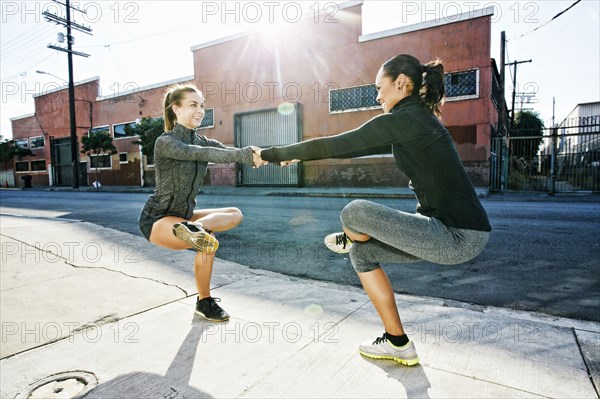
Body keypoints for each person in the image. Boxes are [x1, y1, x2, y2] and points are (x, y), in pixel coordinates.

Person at [258, 54, 491, 366]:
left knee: (354, 212)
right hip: (448, 232)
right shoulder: (415, 121)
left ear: (400, 84)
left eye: (380, 87)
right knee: (363, 255)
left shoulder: (406, 121)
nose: (378, 95)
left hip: (457, 235)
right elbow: (346, 147)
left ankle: (352, 236)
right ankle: (397, 343)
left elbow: (337, 144)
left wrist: (273, 153)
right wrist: (294, 155)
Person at [138, 84, 266, 322]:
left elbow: (231, 152)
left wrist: (270, 157)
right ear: (175, 109)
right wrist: (245, 154)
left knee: (235, 213)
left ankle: (196, 229)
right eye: (193, 105)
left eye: (202, 106)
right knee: (209, 243)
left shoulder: (202, 140)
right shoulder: (165, 142)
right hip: (157, 219)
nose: (200, 111)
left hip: (184, 217)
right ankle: (204, 301)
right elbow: (199, 153)